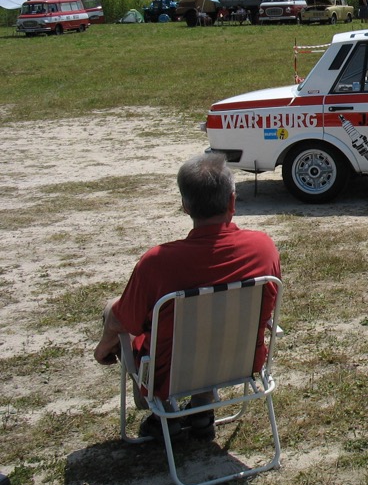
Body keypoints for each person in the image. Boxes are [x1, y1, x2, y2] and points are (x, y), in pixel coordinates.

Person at [94, 153, 281, 442]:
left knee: (114, 310)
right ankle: (202, 410)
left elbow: (125, 319)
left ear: (185, 206)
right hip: (239, 363)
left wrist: (102, 348)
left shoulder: (157, 263)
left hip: (171, 374)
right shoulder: (263, 249)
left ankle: (163, 415)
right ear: (232, 202)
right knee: (212, 327)